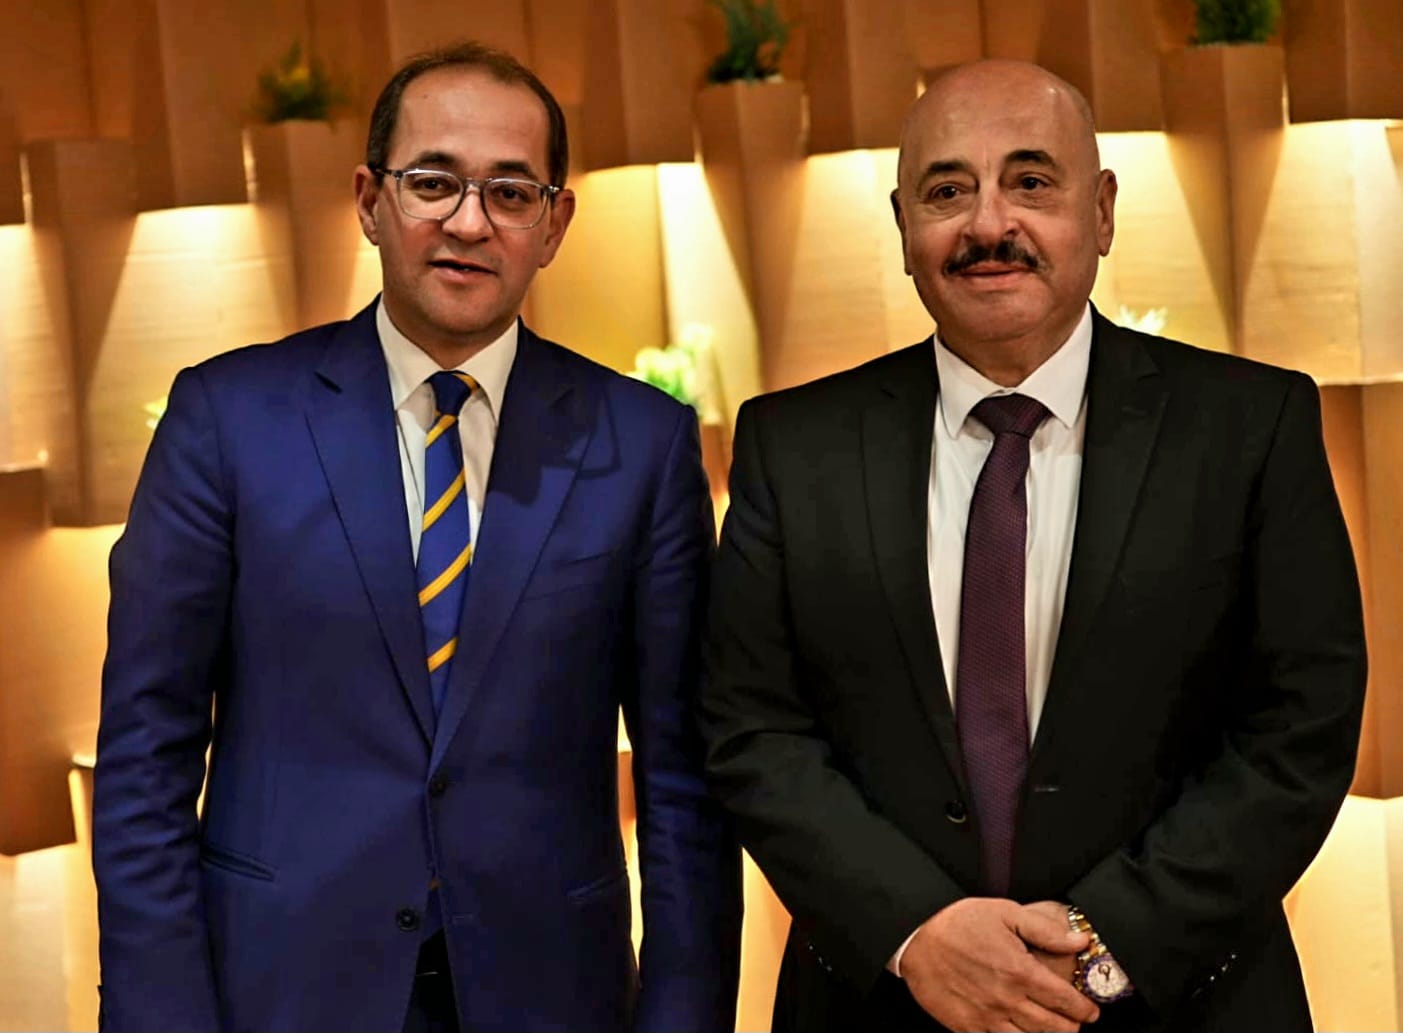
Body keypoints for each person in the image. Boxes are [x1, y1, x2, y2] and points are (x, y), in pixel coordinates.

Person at [700, 58, 1365, 1033]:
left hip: (1183, 999)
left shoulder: (1248, 428)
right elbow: (751, 728)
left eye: (1029, 181)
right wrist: (916, 930)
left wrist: (1102, 944)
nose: (987, 224)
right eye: (945, 191)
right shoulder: (790, 447)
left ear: (1100, 211)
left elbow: (1299, 726)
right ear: (901, 226)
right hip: (883, 1002)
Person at [93, 41, 742, 1033]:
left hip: (550, 994)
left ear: (553, 223)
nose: (469, 222)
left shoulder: (641, 443)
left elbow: (682, 783)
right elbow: (146, 756)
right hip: (281, 993)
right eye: (432, 182)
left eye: (511, 192)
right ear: (369, 199)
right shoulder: (227, 419)